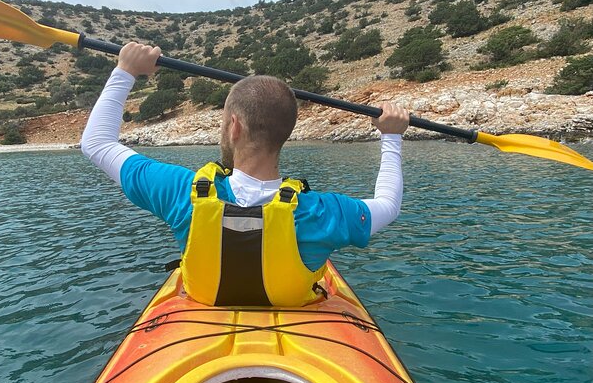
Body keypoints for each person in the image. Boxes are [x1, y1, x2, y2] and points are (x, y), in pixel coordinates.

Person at [81, 42, 409, 307]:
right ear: (286, 133)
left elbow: (97, 143)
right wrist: (391, 136)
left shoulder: (181, 193)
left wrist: (126, 70)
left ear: (234, 127)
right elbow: (389, 205)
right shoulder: (322, 213)